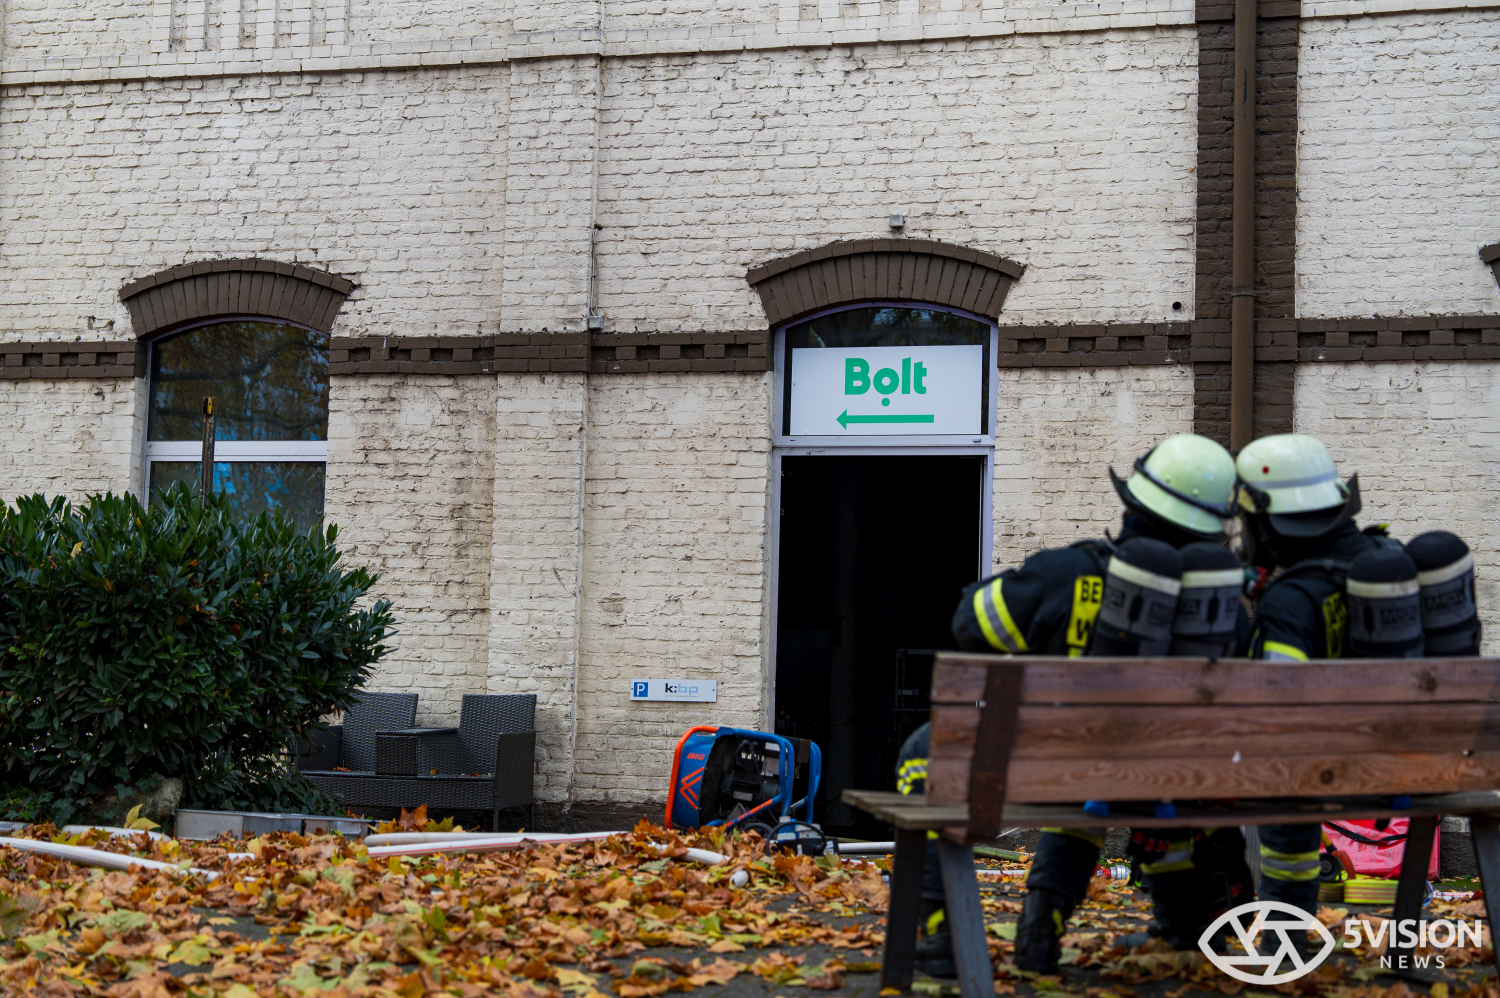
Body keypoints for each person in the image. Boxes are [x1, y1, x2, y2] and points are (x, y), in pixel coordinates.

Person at [949, 433, 1250, 974]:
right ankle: (1184, 929)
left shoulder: (1070, 573)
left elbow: (971, 627)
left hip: (1065, 768)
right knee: (1161, 786)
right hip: (1191, 781)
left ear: (1135, 504)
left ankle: (979, 934)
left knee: (1069, 784)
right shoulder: (1231, 612)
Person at [1236, 433, 1384, 935]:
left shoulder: (1291, 602)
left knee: (1284, 776)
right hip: (1416, 770)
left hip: (1313, 771)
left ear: (1272, 522)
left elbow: (1273, 718)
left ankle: (1284, 929)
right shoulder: (1393, 569)